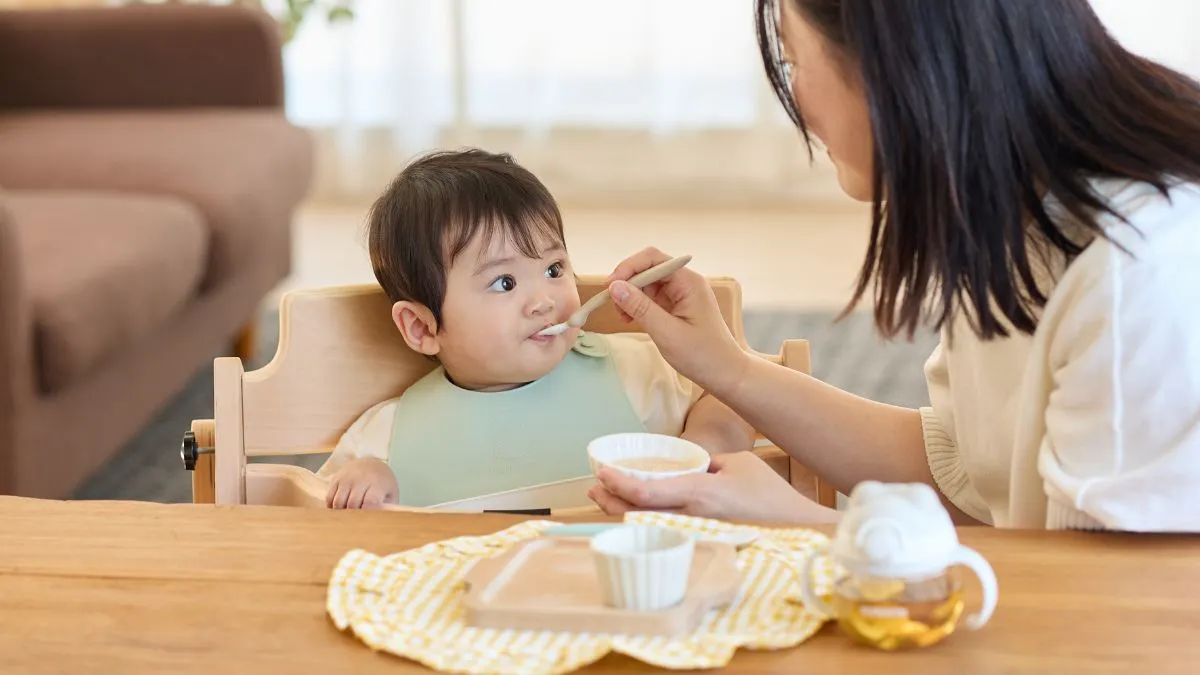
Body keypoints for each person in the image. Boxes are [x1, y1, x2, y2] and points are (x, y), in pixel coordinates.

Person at [587, 0, 1200, 532]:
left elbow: (1100, 601)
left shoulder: (1135, 274)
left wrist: (807, 524)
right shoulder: (1007, 209)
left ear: (891, 69)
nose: (793, 100)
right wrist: (730, 370)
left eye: (795, 62)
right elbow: (968, 478)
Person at [318, 149, 755, 509]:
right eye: (504, 283)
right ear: (421, 327)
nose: (544, 300)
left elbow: (731, 398)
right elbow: (313, 516)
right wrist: (365, 483)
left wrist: (701, 448)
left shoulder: (632, 371)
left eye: (553, 269)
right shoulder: (388, 437)